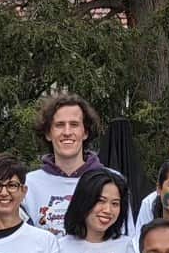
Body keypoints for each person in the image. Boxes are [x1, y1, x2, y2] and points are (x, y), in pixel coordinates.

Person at [22, 94, 110, 236]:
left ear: (85, 132)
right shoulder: (28, 185)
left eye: (74, 125)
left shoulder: (110, 181)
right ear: (48, 134)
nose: (67, 132)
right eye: (59, 125)